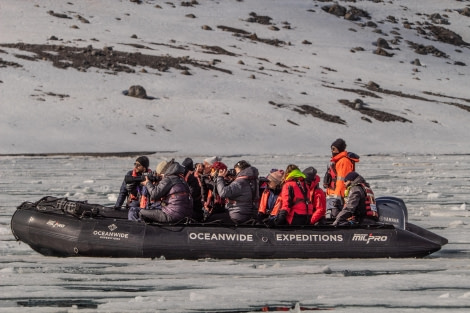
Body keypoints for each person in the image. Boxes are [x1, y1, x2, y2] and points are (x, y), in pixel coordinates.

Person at [213, 160, 259, 224]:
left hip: (237, 215)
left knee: (212, 218)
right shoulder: (254, 180)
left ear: (242, 171)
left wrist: (220, 178)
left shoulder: (240, 182)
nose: (235, 173)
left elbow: (223, 193)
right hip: (249, 214)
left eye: (236, 171)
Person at [323, 138, 359, 220]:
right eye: (331, 149)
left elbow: (342, 181)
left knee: (337, 216)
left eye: (333, 149)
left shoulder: (344, 161)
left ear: (339, 149)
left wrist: (338, 198)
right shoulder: (336, 161)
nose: (332, 151)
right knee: (331, 217)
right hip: (332, 195)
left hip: (338, 197)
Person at [114, 156, 151, 221]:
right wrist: (117, 206)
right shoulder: (130, 175)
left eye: (138, 165)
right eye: (135, 164)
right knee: (133, 208)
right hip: (133, 203)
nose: (135, 167)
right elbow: (123, 192)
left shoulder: (150, 176)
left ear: (144, 168)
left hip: (146, 204)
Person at [182, 157, 205, 221]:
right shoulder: (186, 179)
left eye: (185, 170)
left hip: (194, 211)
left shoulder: (193, 179)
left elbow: (191, 196)